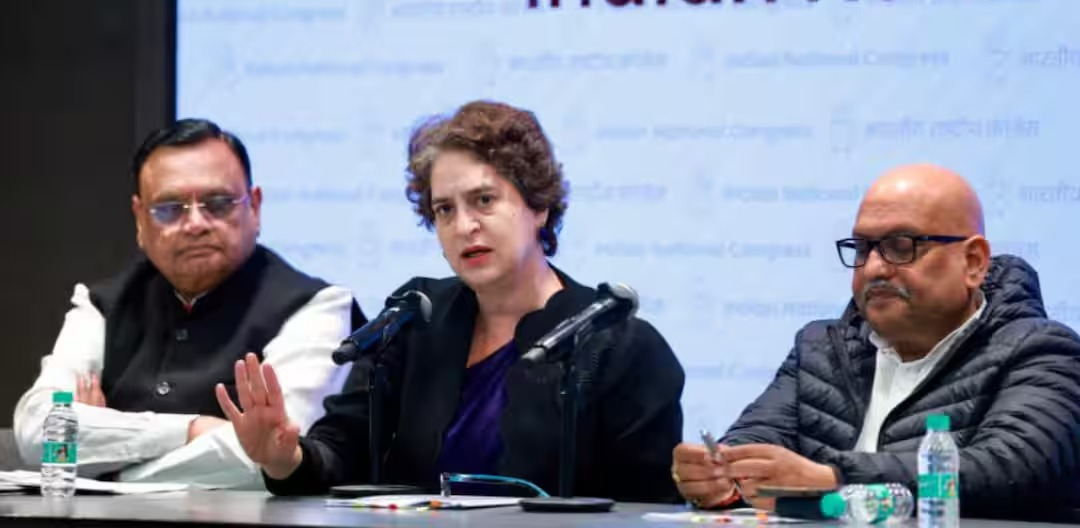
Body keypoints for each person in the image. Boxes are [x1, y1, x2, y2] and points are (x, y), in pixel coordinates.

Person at [217, 100, 686, 502]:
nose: (463, 226)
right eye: (444, 209)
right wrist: (284, 458)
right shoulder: (414, 316)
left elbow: (647, 510)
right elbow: (342, 450)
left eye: (484, 200)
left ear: (539, 205)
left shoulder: (619, 346)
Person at [673, 164, 1080, 521]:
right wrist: (720, 477)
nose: (873, 268)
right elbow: (756, 441)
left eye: (901, 247)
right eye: (862, 248)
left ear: (972, 262)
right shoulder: (821, 347)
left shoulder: (1043, 352)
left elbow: (1008, 470)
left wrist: (835, 479)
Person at [13, 119, 365, 488]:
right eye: (169, 208)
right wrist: (192, 429)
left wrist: (104, 462)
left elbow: (275, 455)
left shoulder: (315, 307)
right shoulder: (99, 305)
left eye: (218, 203)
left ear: (255, 208)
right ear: (139, 220)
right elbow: (39, 432)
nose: (196, 223)